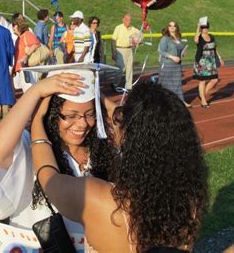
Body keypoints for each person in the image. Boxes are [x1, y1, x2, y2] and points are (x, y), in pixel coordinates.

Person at [30, 81, 208, 251]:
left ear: (131, 139)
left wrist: (38, 119)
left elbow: (48, 177)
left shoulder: (98, 198)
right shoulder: (190, 203)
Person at [0, 64, 118, 238]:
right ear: (50, 113)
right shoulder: (28, 149)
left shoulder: (104, 148)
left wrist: (98, 95)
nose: (82, 124)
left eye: (90, 114)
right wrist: (36, 92)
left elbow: (139, 132)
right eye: (70, 116)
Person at [158, 21, 191, 108]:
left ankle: (181, 101)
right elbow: (161, 51)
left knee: (177, 84)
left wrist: (184, 52)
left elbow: (181, 49)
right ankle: (162, 103)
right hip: (167, 64)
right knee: (164, 84)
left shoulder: (178, 38)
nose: (172, 27)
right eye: (170, 26)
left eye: (174, 26)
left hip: (177, 65)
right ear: (167, 27)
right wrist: (172, 57)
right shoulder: (165, 38)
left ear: (176, 28)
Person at [193, 21, 224, 108]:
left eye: (206, 28)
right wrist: (198, 27)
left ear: (208, 28)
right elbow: (195, 41)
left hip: (211, 61)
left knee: (214, 80)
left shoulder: (212, 36)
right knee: (202, 80)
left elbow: (215, 48)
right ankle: (203, 101)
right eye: (203, 28)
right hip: (202, 61)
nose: (205, 29)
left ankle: (202, 94)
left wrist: (220, 58)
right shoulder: (199, 36)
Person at [111, 13, 141, 90]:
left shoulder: (132, 29)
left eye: (130, 20)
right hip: (120, 50)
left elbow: (140, 34)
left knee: (129, 69)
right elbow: (113, 40)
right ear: (123, 19)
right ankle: (114, 84)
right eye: (127, 20)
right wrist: (113, 52)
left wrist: (139, 38)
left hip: (129, 50)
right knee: (120, 69)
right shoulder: (118, 28)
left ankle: (128, 87)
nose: (129, 21)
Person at [11, 19, 40, 92]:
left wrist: (26, 56)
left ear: (18, 26)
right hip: (22, 68)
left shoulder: (27, 34)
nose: (12, 28)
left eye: (14, 26)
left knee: (29, 91)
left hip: (28, 67)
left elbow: (35, 44)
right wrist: (14, 68)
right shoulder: (19, 38)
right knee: (26, 91)